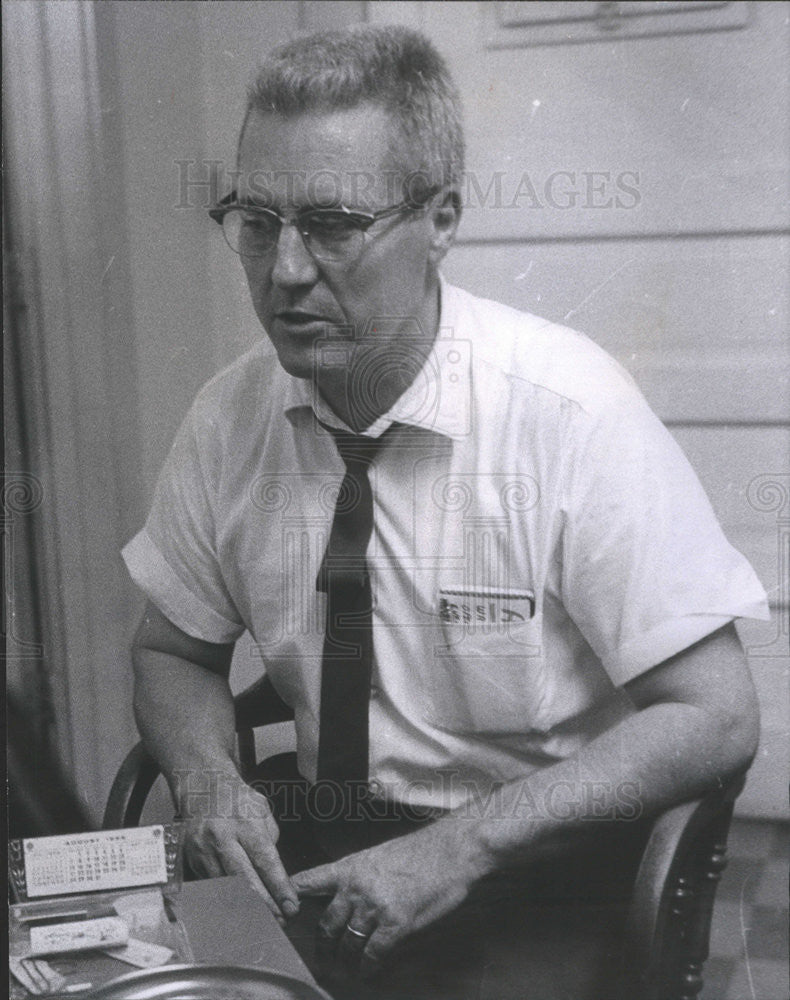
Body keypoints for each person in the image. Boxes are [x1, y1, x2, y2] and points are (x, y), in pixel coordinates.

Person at [123, 23, 768, 995]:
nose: (285, 269)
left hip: (535, 867)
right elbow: (172, 649)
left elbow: (714, 716)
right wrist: (211, 779)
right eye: (257, 220)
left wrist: (459, 847)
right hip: (322, 847)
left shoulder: (566, 413)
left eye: (332, 224)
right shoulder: (230, 414)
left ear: (441, 219)